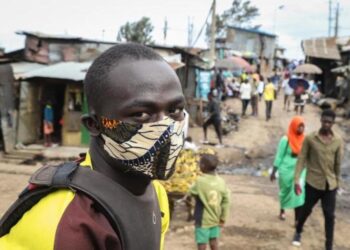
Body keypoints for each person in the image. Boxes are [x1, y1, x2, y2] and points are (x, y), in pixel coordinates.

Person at [0, 43, 187, 250]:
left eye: (175, 109)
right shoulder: (70, 225)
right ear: (95, 125)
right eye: (141, 114)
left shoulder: (155, 193)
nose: (166, 126)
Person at [292, 109, 343, 250]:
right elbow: (301, 159)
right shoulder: (310, 138)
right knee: (306, 210)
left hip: (330, 184)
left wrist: (337, 182)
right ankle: (298, 230)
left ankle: (328, 246)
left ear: (333, 123)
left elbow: (337, 163)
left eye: (329, 122)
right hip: (313, 183)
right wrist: (297, 180)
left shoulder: (338, 141)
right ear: (321, 120)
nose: (326, 124)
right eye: (324, 121)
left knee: (329, 215)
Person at [189, 154, 230, 250]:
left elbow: (191, 192)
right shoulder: (221, 182)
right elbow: (226, 201)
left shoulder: (200, 181)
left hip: (202, 220)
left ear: (203, 166)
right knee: (214, 241)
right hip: (216, 218)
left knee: (202, 243)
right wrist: (223, 218)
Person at [270, 116, 306, 223]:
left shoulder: (305, 139)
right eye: (299, 127)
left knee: (298, 193)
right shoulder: (285, 139)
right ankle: (282, 210)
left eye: (303, 127)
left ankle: (297, 219)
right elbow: (279, 156)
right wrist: (274, 171)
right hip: (285, 169)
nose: (301, 129)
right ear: (294, 126)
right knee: (284, 191)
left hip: (300, 170)